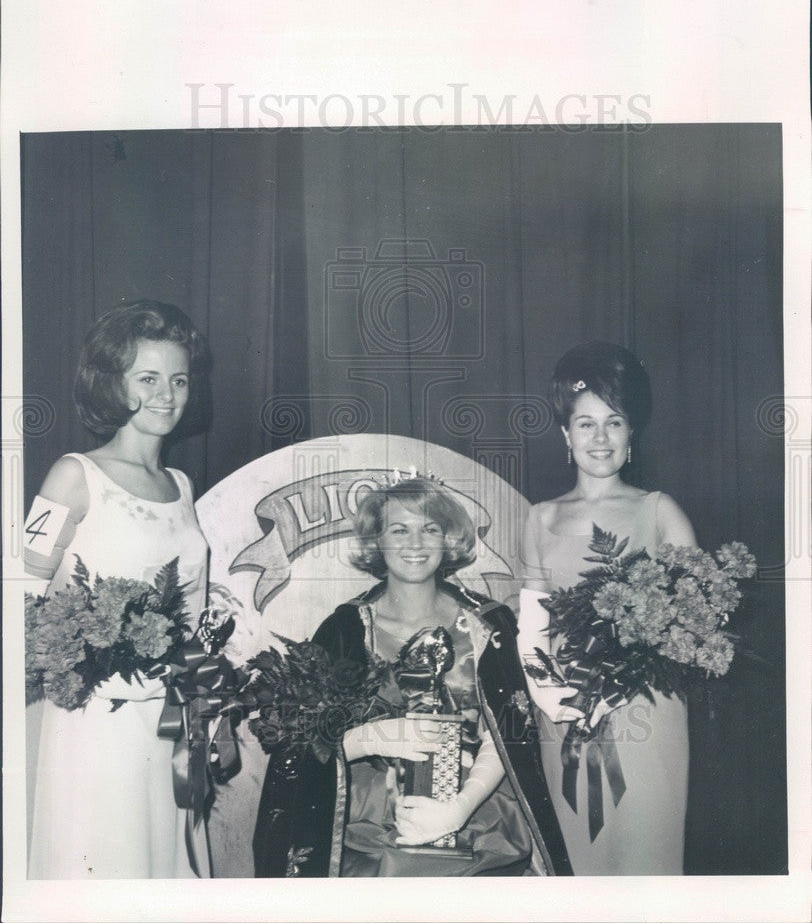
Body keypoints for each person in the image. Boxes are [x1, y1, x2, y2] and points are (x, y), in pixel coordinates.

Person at [253, 476, 572, 878]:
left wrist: (458, 808)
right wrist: (373, 737)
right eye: (399, 530)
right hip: (368, 824)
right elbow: (300, 749)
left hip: (480, 812)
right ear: (377, 541)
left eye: (430, 529)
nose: (416, 543)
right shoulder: (345, 628)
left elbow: (511, 731)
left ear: (447, 538)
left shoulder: (489, 623)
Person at [25, 300, 212, 879]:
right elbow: (19, 591)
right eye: (148, 379)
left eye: (178, 380)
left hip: (172, 724)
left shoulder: (180, 484)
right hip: (95, 724)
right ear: (113, 385)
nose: (167, 395)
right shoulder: (73, 475)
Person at [518, 341, 697, 875]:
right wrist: (556, 700)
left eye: (614, 423)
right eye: (586, 424)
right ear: (565, 436)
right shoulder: (538, 518)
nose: (600, 438)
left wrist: (617, 687)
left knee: (645, 859)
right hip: (565, 715)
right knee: (575, 862)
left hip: (645, 713)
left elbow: (695, 621)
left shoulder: (659, 510)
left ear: (631, 435)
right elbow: (532, 629)